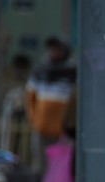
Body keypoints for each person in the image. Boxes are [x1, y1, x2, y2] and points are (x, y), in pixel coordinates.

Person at [25, 35, 76, 173]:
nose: (53, 52)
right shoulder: (41, 70)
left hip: (64, 132)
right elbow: (30, 97)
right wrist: (34, 120)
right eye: (51, 49)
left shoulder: (72, 71)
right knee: (42, 167)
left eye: (57, 49)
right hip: (42, 128)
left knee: (62, 169)